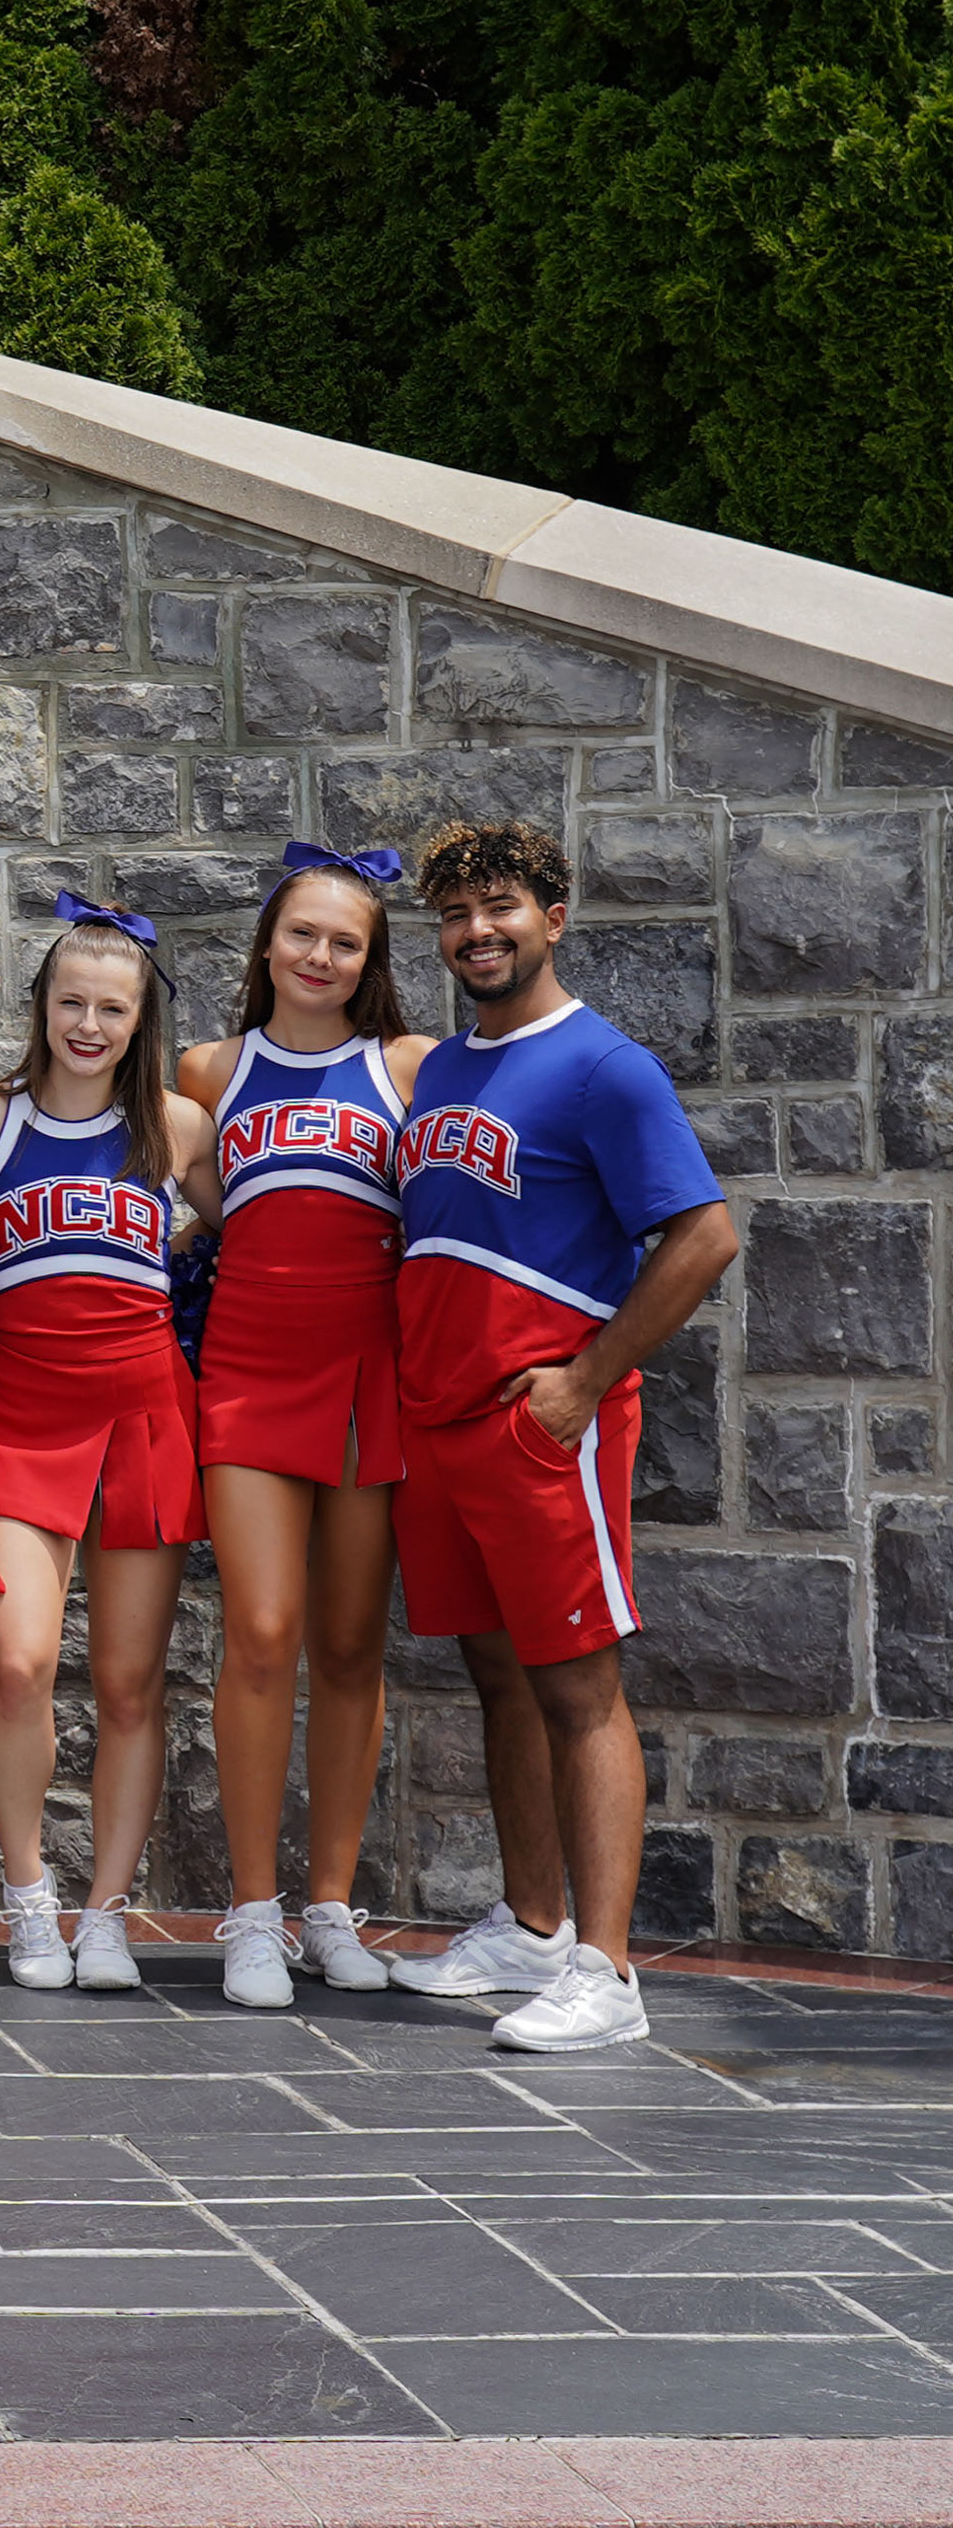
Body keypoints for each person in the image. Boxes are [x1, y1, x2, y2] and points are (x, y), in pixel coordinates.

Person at [386, 819, 738, 2054]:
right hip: (443, 1426)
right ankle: (532, 1928)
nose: (478, 932)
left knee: (581, 1689)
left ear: (556, 916)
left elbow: (702, 1235)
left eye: (502, 908)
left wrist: (584, 1383)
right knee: (499, 1677)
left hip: (542, 1428)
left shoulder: (605, 1068)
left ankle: (607, 1972)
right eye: (457, 915)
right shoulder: (440, 1071)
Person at [176, 846, 435, 2012]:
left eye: (346, 942)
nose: (321, 956)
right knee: (262, 1631)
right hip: (247, 1370)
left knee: (347, 1645)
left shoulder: (408, 1066)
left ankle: (329, 1906)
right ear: (267, 946)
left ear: (369, 962)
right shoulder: (206, 1070)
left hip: (366, 1373)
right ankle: (249, 1915)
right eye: (303, 935)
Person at [0, 903, 216, 1994]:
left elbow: (241, 1225)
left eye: (111, 1008)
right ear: (41, 1008)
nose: (88, 1025)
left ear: (139, 1017)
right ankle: (27, 1898)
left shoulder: (174, 1125)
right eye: (71, 1004)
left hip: (145, 1410)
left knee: (130, 1683)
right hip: (20, 1412)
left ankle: (106, 1912)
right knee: (16, 1665)